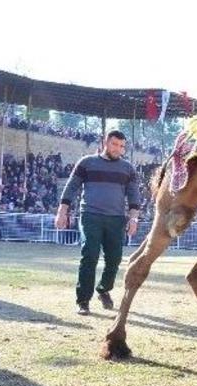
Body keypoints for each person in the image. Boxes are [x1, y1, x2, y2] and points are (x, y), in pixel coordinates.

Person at [55, 130, 141, 315]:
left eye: (121, 146)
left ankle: (103, 289)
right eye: (114, 144)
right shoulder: (86, 163)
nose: (118, 149)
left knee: (115, 259)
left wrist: (133, 218)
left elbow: (134, 196)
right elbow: (71, 188)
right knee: (90, 255)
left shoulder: (128, 168)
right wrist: (62, 212)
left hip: (116, 219)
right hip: (90, 216)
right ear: (105, 143)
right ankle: (83, 301)